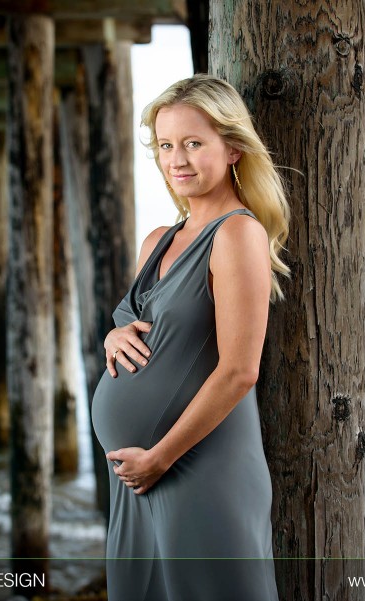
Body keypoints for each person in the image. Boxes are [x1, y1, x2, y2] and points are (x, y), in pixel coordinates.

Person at [90, 73, 290, 601]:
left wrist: (159, 457)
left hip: (194, 464)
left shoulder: (237, 234)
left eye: (193, 143)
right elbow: (137, 323)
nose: (176, 159)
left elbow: (239, 371)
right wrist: (114, 335)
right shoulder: (159, 239)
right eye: (166, 145)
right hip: (136, 475)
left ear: (232, 149)